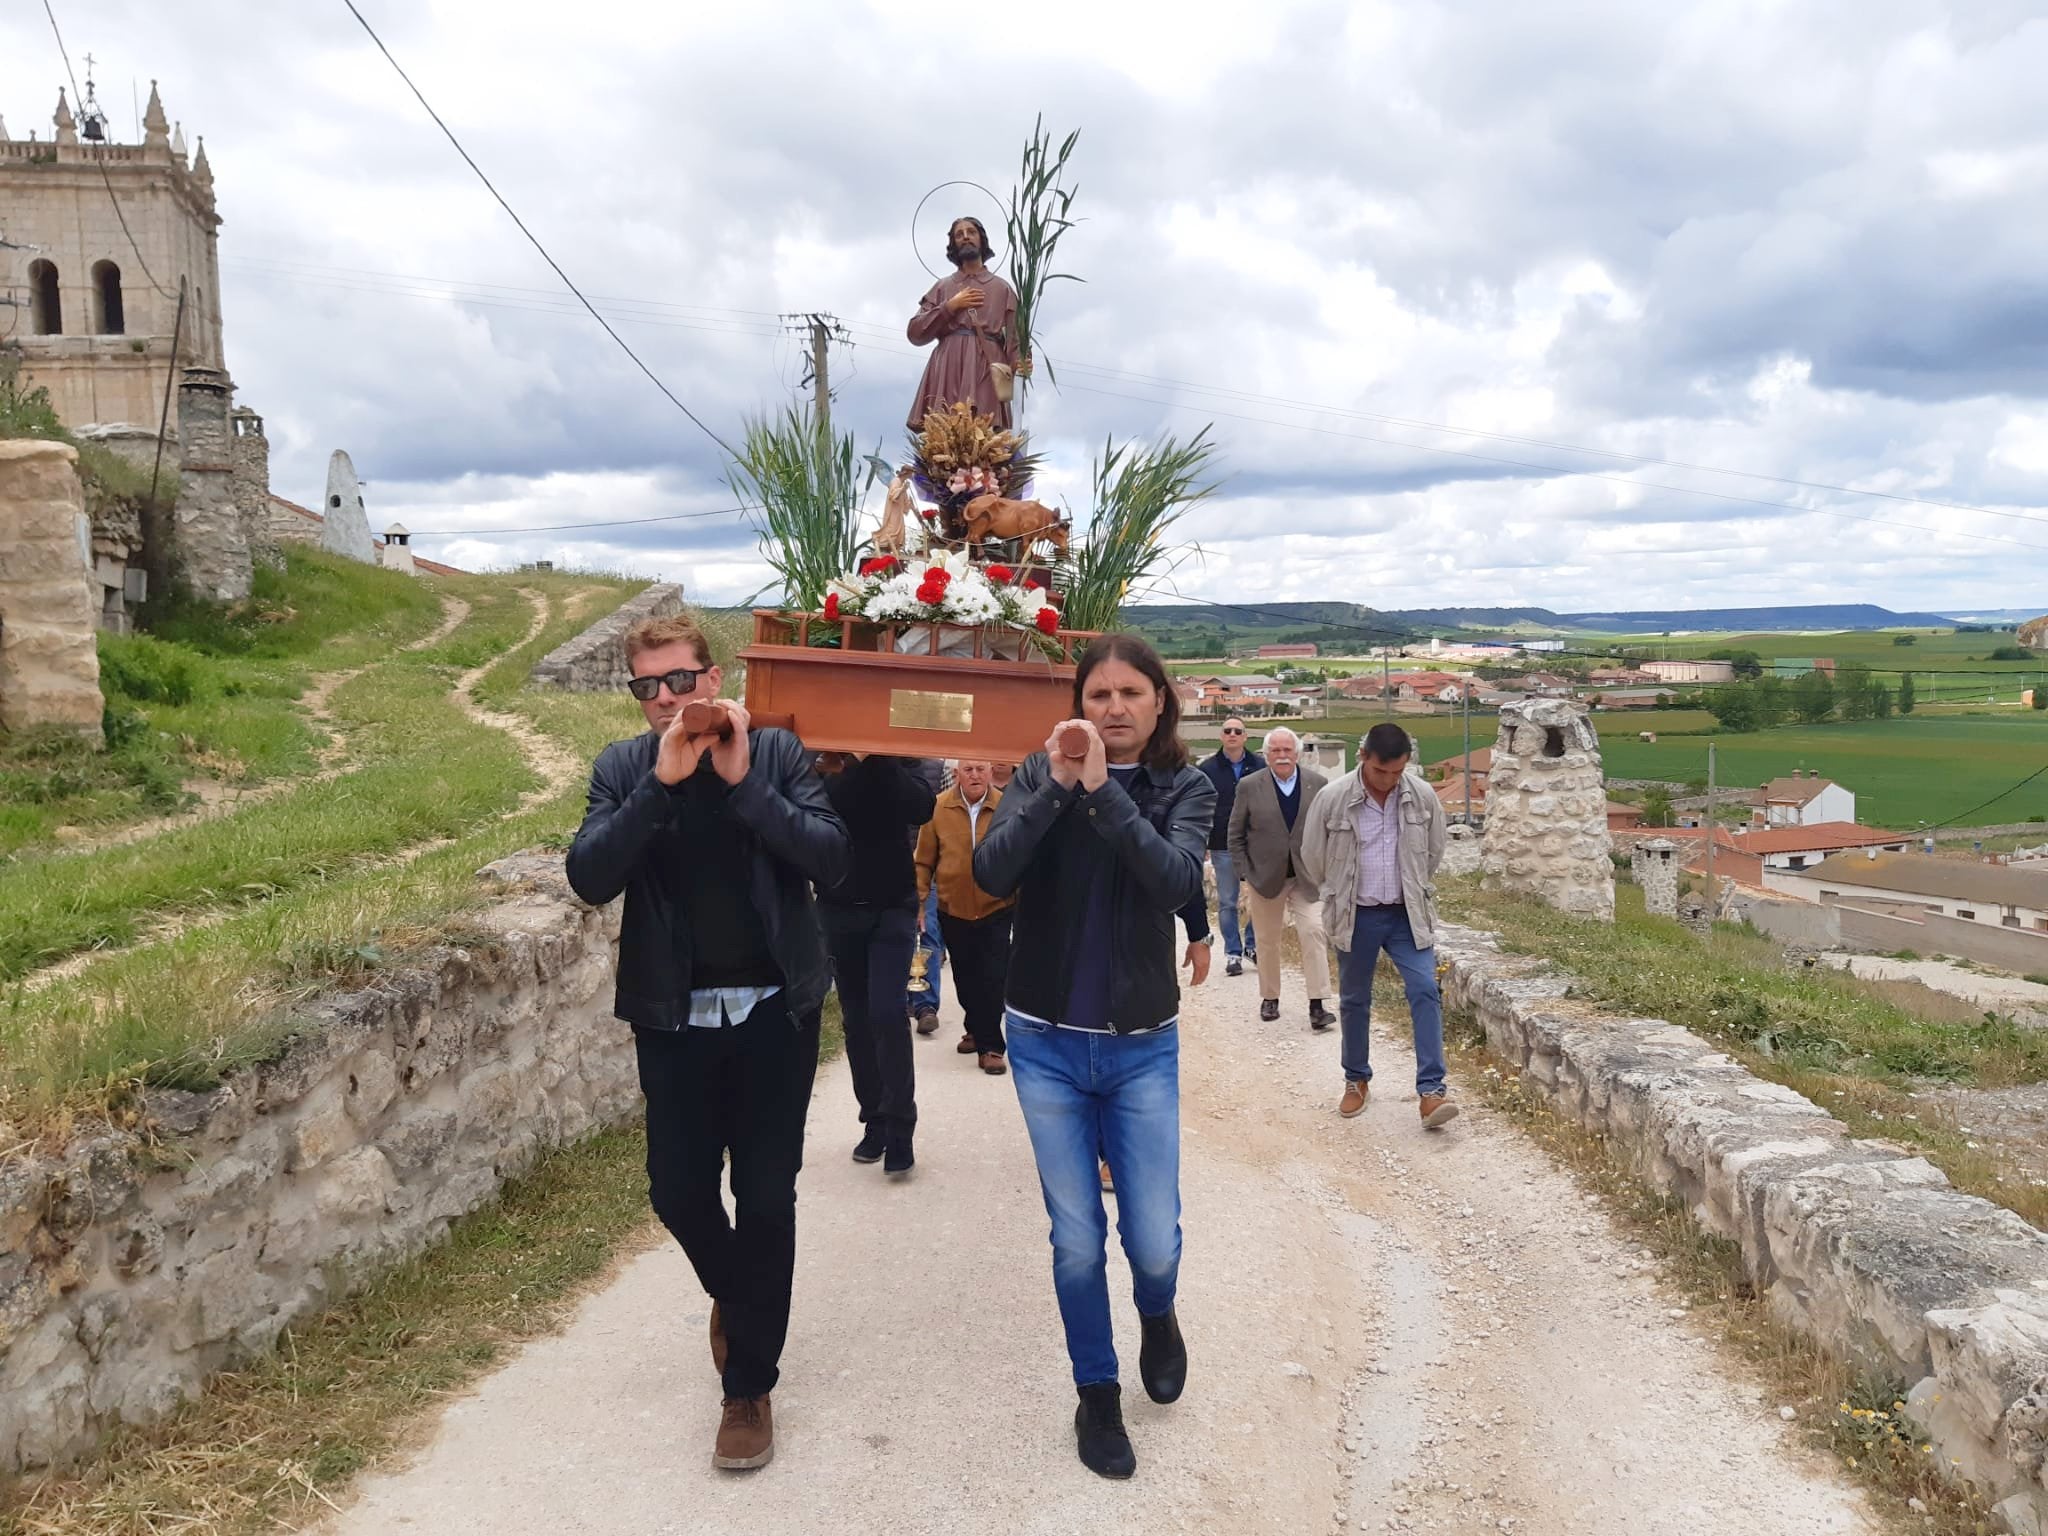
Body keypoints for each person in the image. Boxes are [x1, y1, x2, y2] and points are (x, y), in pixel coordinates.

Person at [565, 614, 849, 1473]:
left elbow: (831, 860)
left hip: (773, 1014)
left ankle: (748, 1390)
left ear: (712, 677)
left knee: (766, 1199)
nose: (665, 700)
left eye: (679, 681)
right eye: (646, 687)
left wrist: (742, 785)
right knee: (678, 1194)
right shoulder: (623, 768)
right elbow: (588, 877)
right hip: (674, 1019)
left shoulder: (774, 754)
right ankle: (741, 1295)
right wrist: (660, 786)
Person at [974, 633, 1216, 1481]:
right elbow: (989, 868)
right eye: (1099, 695)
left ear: (1159, 704)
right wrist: (1054, 791)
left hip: (1141, 1047)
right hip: (1042, 1043)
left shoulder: (1185, 786)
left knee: (1152, 1238)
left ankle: (1158, 1311)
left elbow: (1176, 881)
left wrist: (1106, 794)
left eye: (1130, 695)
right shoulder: (1038, 776)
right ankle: (1097, 1394)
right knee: (1077, 1238)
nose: (1113, 709)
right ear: (1078, 703)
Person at [1300, 722, 1458, 1130]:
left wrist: (1411, 886)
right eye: (1380, 772)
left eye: (1396, 773)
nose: (1388, 781)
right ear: (1363, 758)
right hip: (1357, 914)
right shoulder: (1333, 799)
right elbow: (1313, 855)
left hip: (1407, 915)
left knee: (1425, 988)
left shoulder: (1421, 796)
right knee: (1354, 1000)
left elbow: (1434, 850)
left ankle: (1431, 1091)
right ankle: (1356, 1080)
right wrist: (1336, 891)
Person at [816, 753, 937, 1175]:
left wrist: (878, 759)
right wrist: (849, 763)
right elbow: (821, 801)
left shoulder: (906, 756)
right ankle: (875, 1121)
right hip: (840, 906)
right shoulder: (826, 759)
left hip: (893, 907)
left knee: (887, 1013)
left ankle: (902, 1125)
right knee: (857, 1020)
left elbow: (921, 806)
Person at [1228, 727, 1334, 1029]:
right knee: (1267, 940)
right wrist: (1244, 872)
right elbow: (1235, 833)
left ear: (1297, 754)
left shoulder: (1318, 784)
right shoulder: (1250, 786)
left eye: (1287, 750)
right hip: (1265, 877)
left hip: (1307, 877)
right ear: (1266, 755)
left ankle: (1317, 1004)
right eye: (1276, 750)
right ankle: (1270, 998)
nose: (1282, 756)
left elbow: (1328, 831)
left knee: (1313, 931)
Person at [915, 758, 1014, 1073]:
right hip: (952, 907)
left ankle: (991, 1047)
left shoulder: (1007, 806)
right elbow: (924, 860)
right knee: (966, 976)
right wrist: (919, 903)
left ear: (990, 772)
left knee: (994, 976)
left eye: (980, 769)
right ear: (956, 774)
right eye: (968, 770)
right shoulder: (938, 808)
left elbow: (1021, 854)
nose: (975, 775)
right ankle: (975, 1027)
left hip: (997, 906)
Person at [906, 215, 1030, 432]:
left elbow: (1014, 341)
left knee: (985, 436)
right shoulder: (943, 287)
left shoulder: (1003, 289)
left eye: (971, 232)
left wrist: (1022, 363)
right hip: (949, 366)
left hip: (985, 368)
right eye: (959, 235)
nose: (965, 237)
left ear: (981, 239)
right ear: (953, 244)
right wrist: (950, 306)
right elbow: (915, 332)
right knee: (945, 434)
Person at [1196, 719, 1264, 976]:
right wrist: (1201, 840)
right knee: (1227, 902)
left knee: (1260, 899)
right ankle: (1233, 953)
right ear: (1221, 736)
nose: (1232, 734)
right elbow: (1200, 807)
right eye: (1228, 731)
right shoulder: (1207, 769)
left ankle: (1252, 946)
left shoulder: (1260, 766)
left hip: (1256, 843)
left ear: (1245, 737)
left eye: (1238, 731)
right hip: (1221, 842)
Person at [905, 759, 947, 1036]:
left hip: (925, 864)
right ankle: (896, 999)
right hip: (891, 862)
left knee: (927, 932)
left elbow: (946, 811)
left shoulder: (940, 768)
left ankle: (925, 1006)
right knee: (897, 934)